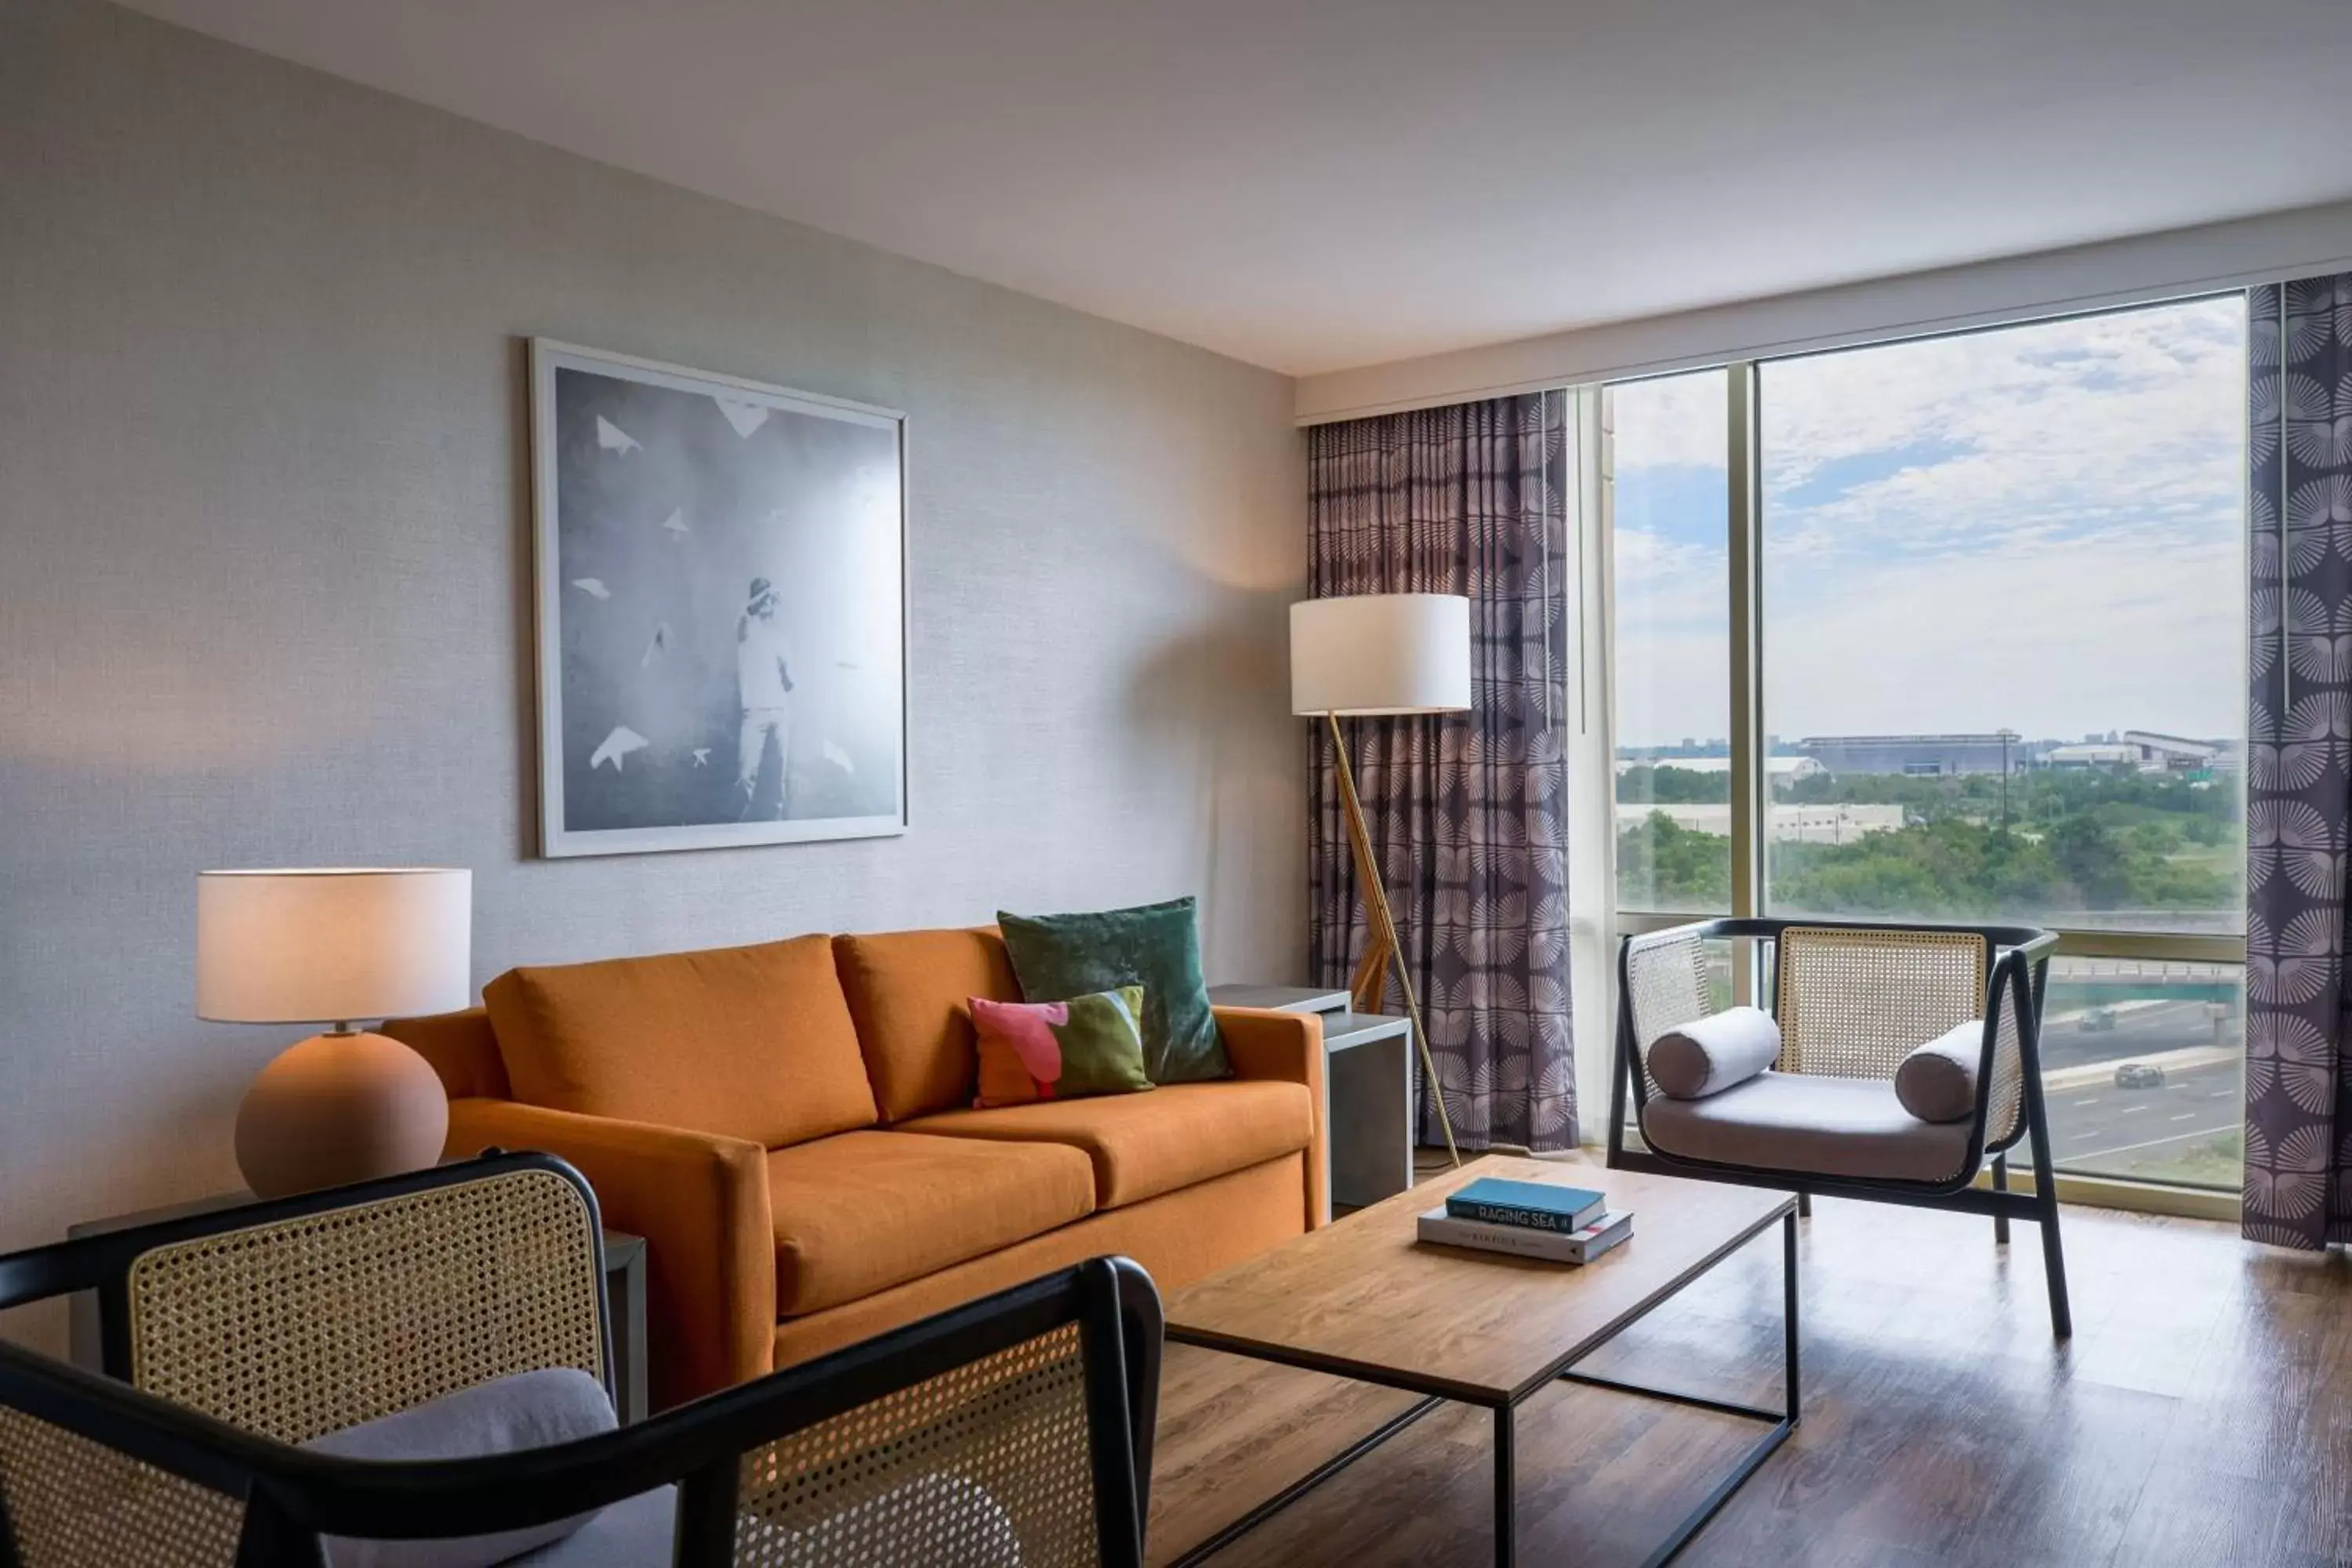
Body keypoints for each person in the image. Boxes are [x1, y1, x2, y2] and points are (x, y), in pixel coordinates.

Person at [736, 577, 795, 818]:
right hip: (755, 714)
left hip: (780, 713)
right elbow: (747, 609)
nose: (770, 601)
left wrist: (788, 677)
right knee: (746, 776)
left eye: (771, 598)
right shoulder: (746, 627)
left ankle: (777, 831)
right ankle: (740, 834)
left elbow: (790, 681)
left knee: (778, 778)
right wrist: (766, 594)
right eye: (765, 597)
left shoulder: (779, 636)